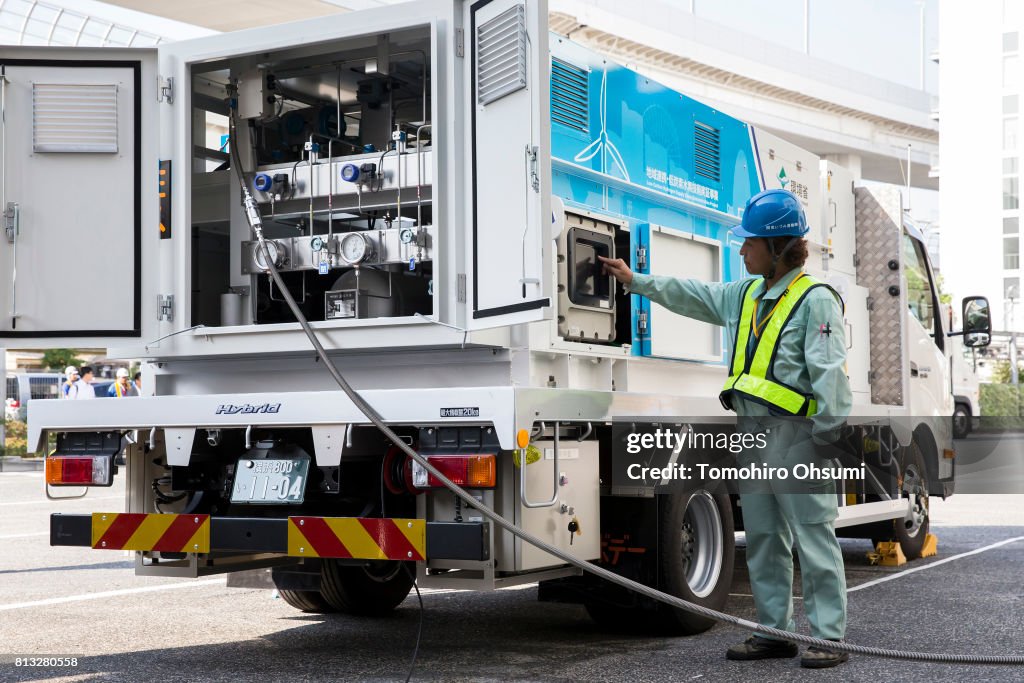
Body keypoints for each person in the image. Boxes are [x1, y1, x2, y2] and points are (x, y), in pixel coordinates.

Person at [599, 188, 853, 669]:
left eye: (749, 243)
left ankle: (829, 638)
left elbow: (831, 378)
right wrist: (637, 282)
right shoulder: (747, 294)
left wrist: (825, 440)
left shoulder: (816, 301)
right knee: (762, 538)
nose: (741, 250)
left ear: (778, 249)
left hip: (799, 438)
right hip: (754, 436)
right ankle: (775, 632)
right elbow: (695, 296)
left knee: (813, 537)